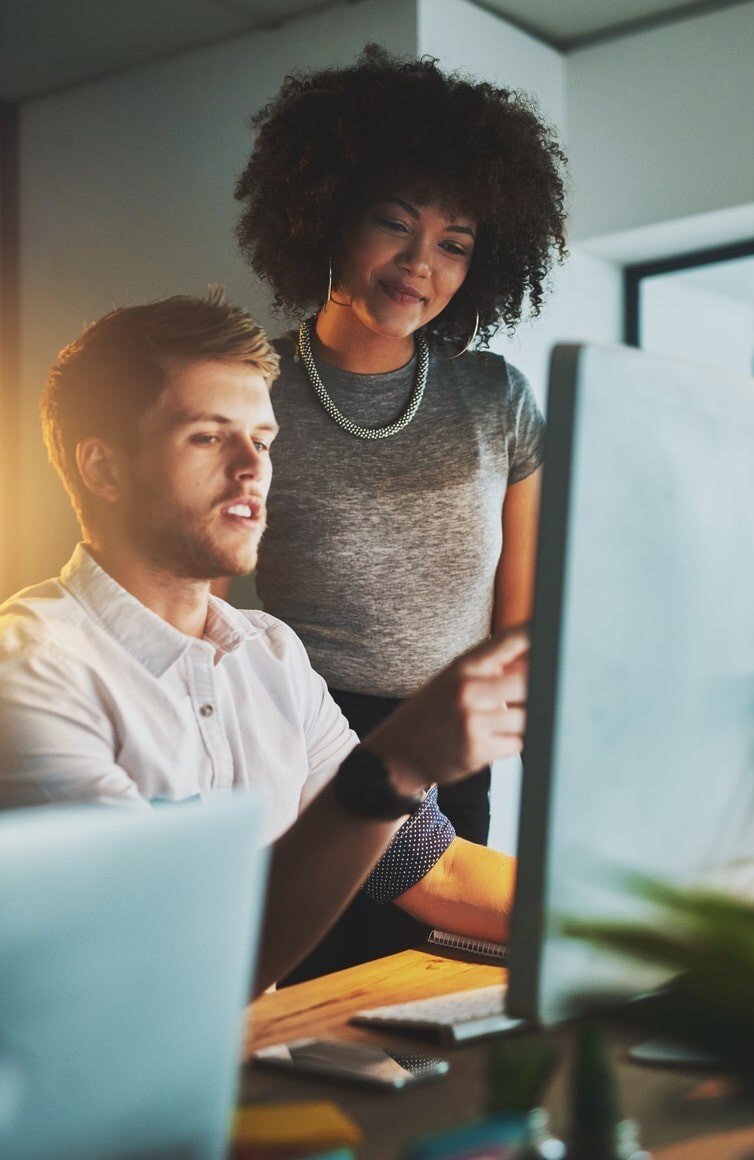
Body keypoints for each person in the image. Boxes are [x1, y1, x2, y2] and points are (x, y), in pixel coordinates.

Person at [0, 291, 527, 997]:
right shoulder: (30, 676)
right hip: (100, 1107)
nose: (253, 469)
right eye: (209, 437)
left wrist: (661, 917)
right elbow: (175, 972)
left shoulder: (271, 653)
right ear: (104, 470)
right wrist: (394, 764)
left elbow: (430, 866)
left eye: (264, 439)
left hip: (266, 1083)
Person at [233, 46, 567, 973]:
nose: (421, 264)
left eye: (455, 242)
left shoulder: (495, 397)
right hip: (313, 743)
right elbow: (207, 615)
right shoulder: (250, 389)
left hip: (460, 738)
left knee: (445, 995)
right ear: (325, 215)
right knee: (311, 993)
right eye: (394, 225)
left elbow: (523, 617)